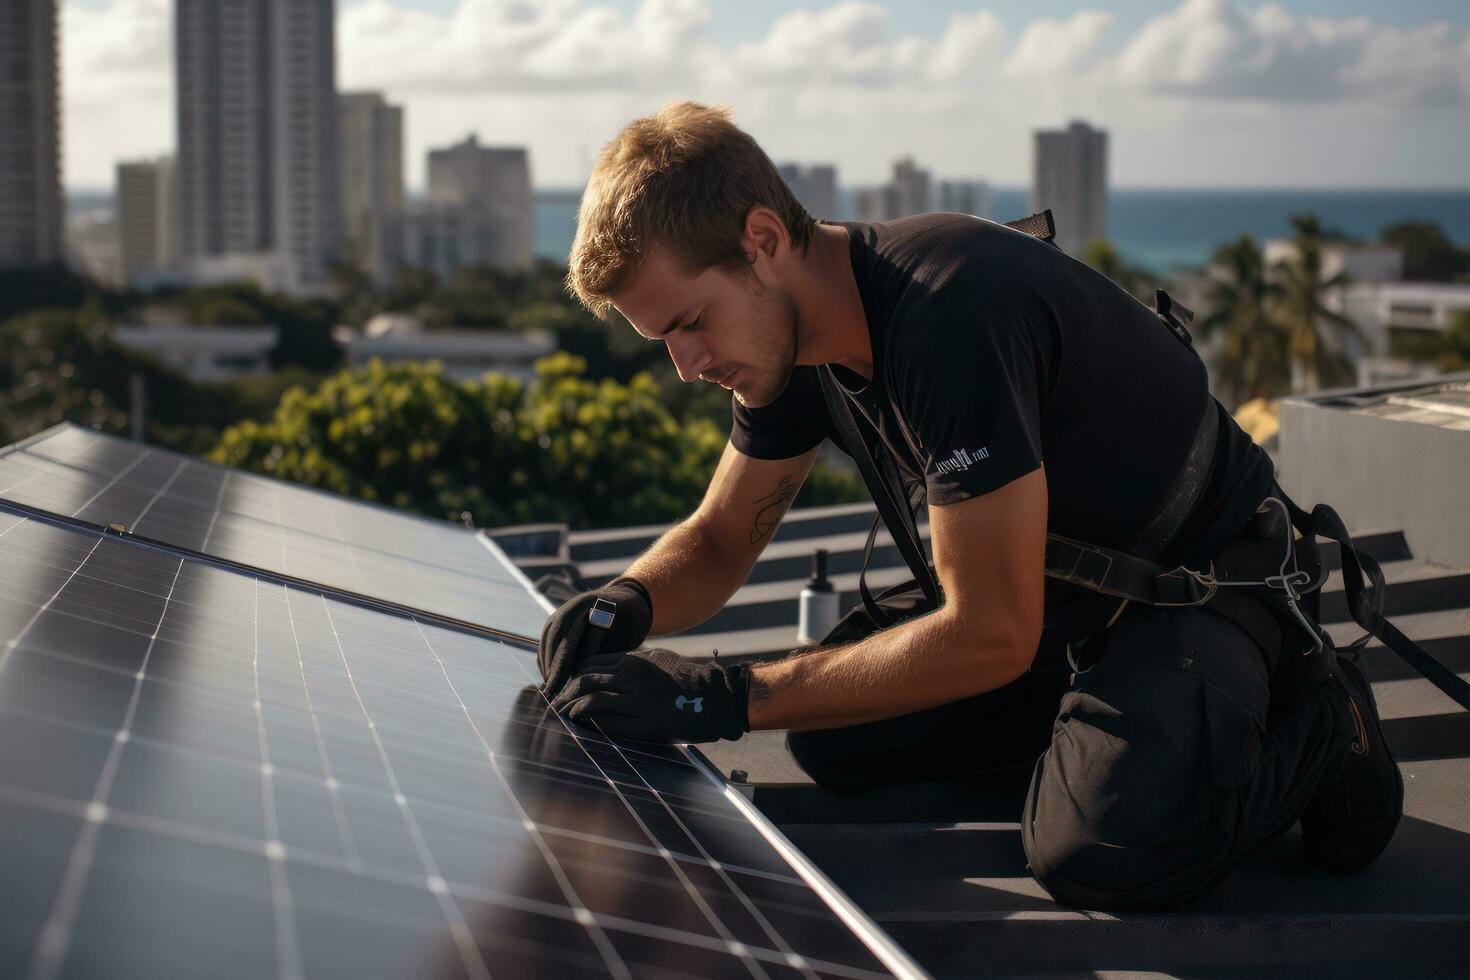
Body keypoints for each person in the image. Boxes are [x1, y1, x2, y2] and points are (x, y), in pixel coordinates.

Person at [537, 101, 1403, 911]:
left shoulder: (946, 313)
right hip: (1053, 602)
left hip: (1196, 584)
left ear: (761, 239)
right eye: (665, 341)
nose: (687, 365)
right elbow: (724, 536)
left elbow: (988, 631)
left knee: (1095, 850)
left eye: (690, 323)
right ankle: (1102, 727)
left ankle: (1328, 719)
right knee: (838, 740)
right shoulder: (783, 338)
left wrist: (717, 695)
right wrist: (630, 600)